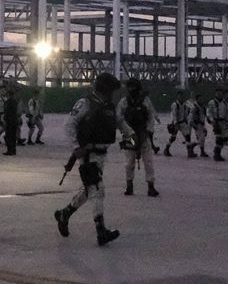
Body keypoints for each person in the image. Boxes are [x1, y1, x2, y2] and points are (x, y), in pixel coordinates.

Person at [53, 72, 123, 246]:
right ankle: (101, 231)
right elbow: (69, 124)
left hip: (101, 154)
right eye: (111, 90)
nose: (113, 93)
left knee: (89, 190)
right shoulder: (85, 103)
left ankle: (65, 214)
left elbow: (119, 122)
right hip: (87, 153)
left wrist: (130, 134)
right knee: (98, 189)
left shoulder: (108, 106)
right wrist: (76, 147)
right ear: (105, 89)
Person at [118, 78, 159, 197]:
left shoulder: (145, 101)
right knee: (129, 162)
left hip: (143, 134)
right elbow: (119, 119)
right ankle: (129, 185)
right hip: (130, 136)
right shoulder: (124, 102)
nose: (132, 90)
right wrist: (128, 132)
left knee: (148, 161)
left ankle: (150, 186)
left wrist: (148, 131)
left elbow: (151, 116)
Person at [208, 91, 228, 160]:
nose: (219, 95)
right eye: (218, 93)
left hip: (224, 122)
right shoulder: (212, 102)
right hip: (216, 122)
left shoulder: (224, 103)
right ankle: (217, 154)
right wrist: (212, 122)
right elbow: (209, 113)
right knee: (220, 138)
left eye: (221, 93)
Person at [188, 89, 210, 157]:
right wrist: (193, 124)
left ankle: (202, 151)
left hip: (202, 124)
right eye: (200, 99)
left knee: (202, 139)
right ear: (197, 99)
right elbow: (190, 116)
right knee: (201, 138)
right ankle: (192, 146)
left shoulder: (203, 107)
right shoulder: (194, 107)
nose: (201, 100)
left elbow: (204, 116)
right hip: (197, 124)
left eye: (202, 99)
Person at [1, 81, 21, 156]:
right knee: (13, 136)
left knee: (8, 135)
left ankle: (9, 150)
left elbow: (6, 112)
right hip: (15, 120)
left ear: (8, 94)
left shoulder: (7, 102)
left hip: (9, 121)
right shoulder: (15, 102)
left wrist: (5, 120)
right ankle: (14, 150)